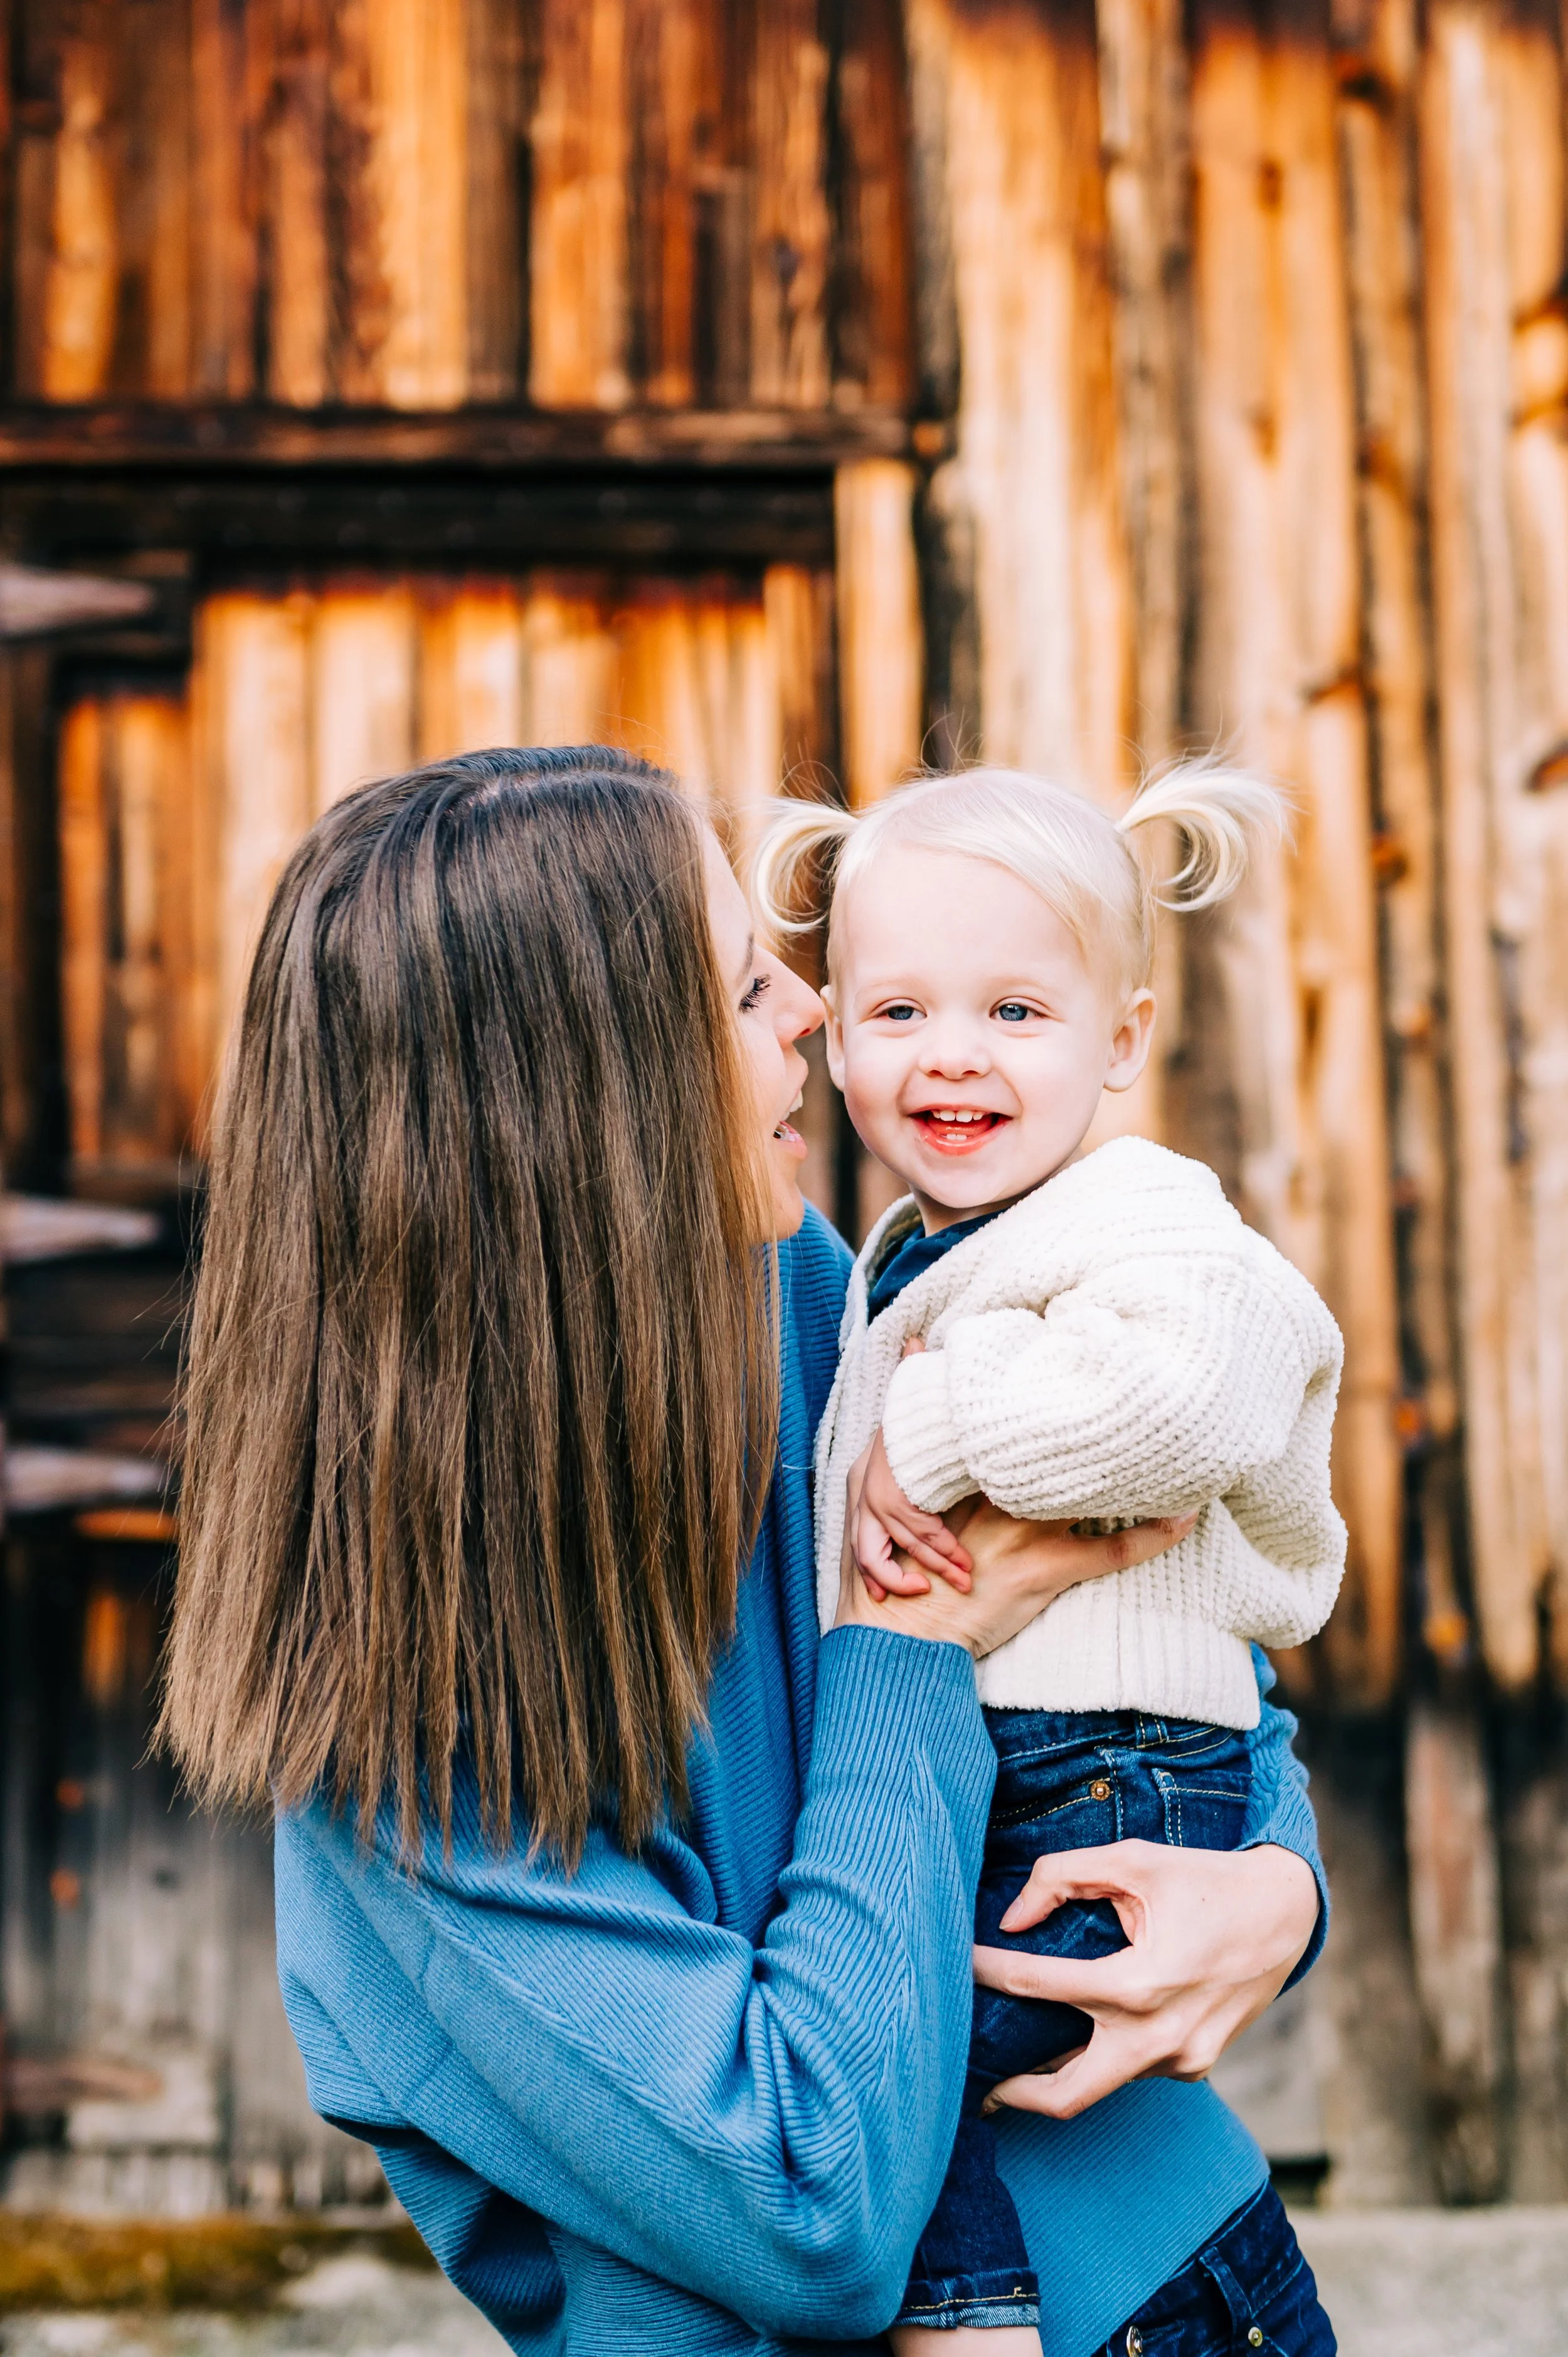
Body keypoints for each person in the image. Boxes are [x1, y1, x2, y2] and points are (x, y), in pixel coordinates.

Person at [159, 748, 1327, 2357]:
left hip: (1187, 2271)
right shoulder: (396, 1747)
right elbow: (808, 2204)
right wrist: (905, 1643)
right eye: (739, 986)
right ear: (583, 1091)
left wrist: (1277, 1883)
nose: (810, 1010)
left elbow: (1141, 1620)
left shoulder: (791, 1297)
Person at [757, 761, 1340, 2355]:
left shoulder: (1143, 1215)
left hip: (1108, 1775)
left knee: (894, 2066)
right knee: (897, 2054)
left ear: (1122, 1041)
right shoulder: (904, 1258)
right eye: (899, 1010)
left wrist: (931, 1423)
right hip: (1027, 1772)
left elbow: (1185, 1402)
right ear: (839, 1033)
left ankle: (969, 2322)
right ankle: (969, 2306)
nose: (952, 1051)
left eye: (1015, 1011)